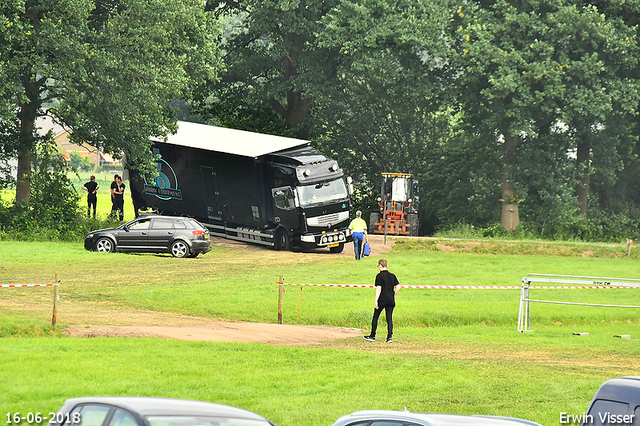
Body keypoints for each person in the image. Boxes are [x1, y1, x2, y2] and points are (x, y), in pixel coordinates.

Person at [364, 258, 399, 343]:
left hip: (382, 300)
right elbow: (398, 286)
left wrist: (376, 300)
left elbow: (379, 289)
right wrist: (393, 294)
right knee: (389, 318)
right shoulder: (392, 275)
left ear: (380, 265)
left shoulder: (379, 276)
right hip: (390, 300)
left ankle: (372, 335)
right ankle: (389, 337)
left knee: (375, 317)